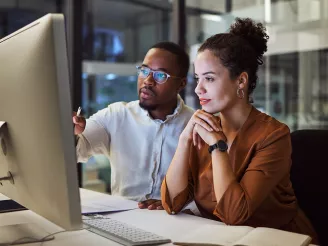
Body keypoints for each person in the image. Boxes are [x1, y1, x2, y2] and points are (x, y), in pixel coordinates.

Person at [161, 18, 318, 243]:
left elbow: (234, 214)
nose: (198, 89)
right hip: (219, 238)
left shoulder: (273, 135)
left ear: (241, 81)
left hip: (276, 240)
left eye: (209, 78)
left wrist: (217, 146)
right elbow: (171, 203)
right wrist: (185, 139)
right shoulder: (202, 129)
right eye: (197, 79)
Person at [74, 41, 194, 210]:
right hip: (122, 218)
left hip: (176, 219)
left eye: (160, 75)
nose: (148, 81)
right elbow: (77, 152)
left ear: (181, 84)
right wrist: (72, 133)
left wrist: (178, 204)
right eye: (144, 71)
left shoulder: (195, 126)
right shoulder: (116, 115)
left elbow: (208, 191)